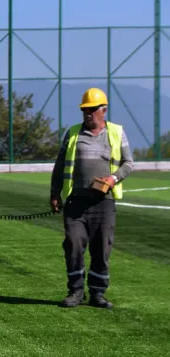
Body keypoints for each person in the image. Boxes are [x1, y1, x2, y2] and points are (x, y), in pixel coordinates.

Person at [49, 87, 134, 309]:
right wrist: (54, 193)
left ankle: (97, 293)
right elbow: (60, 165)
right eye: (85, 109)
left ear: (103, 110)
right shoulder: (73, 133)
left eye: (93, 109)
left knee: (102, 247)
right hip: (76, 202)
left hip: (103, 203)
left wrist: (114, 178)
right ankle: (76, 291)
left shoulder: (116, 132)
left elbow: (129, 163)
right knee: (74, 244)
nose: (88, 113)